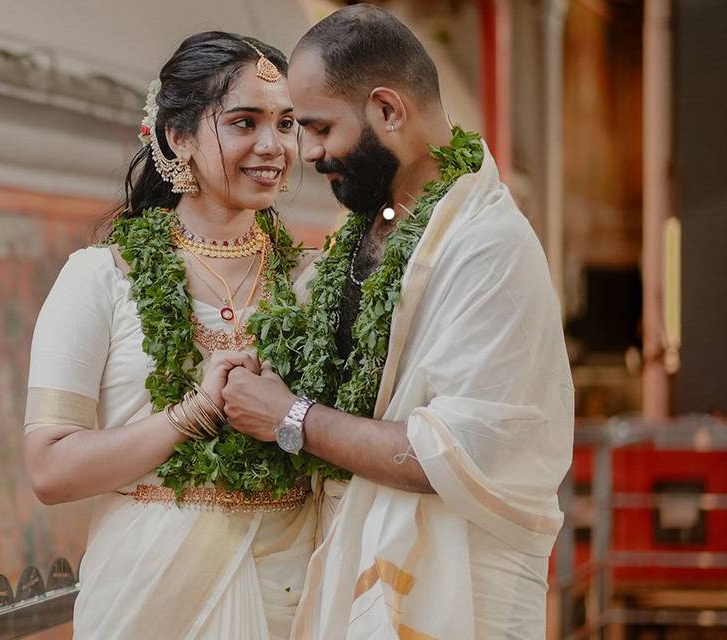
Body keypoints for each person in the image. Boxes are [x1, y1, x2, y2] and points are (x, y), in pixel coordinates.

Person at [221, 6, 574, 639]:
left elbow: (446, 455)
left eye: (321, 127)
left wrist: (290, 418)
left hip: (460, 586)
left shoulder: (489, 245)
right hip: (354, 560)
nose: (309, 153)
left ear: (388, 109)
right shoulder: (368, 229)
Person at [23, 32, 317, 640]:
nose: (272, 146)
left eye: (287, 123)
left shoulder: (311, 283)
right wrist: (192, 415)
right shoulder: (100, 278)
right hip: (151, 594)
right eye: (244, 122)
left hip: (295, 590)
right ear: (176, 136)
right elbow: (50, 469)